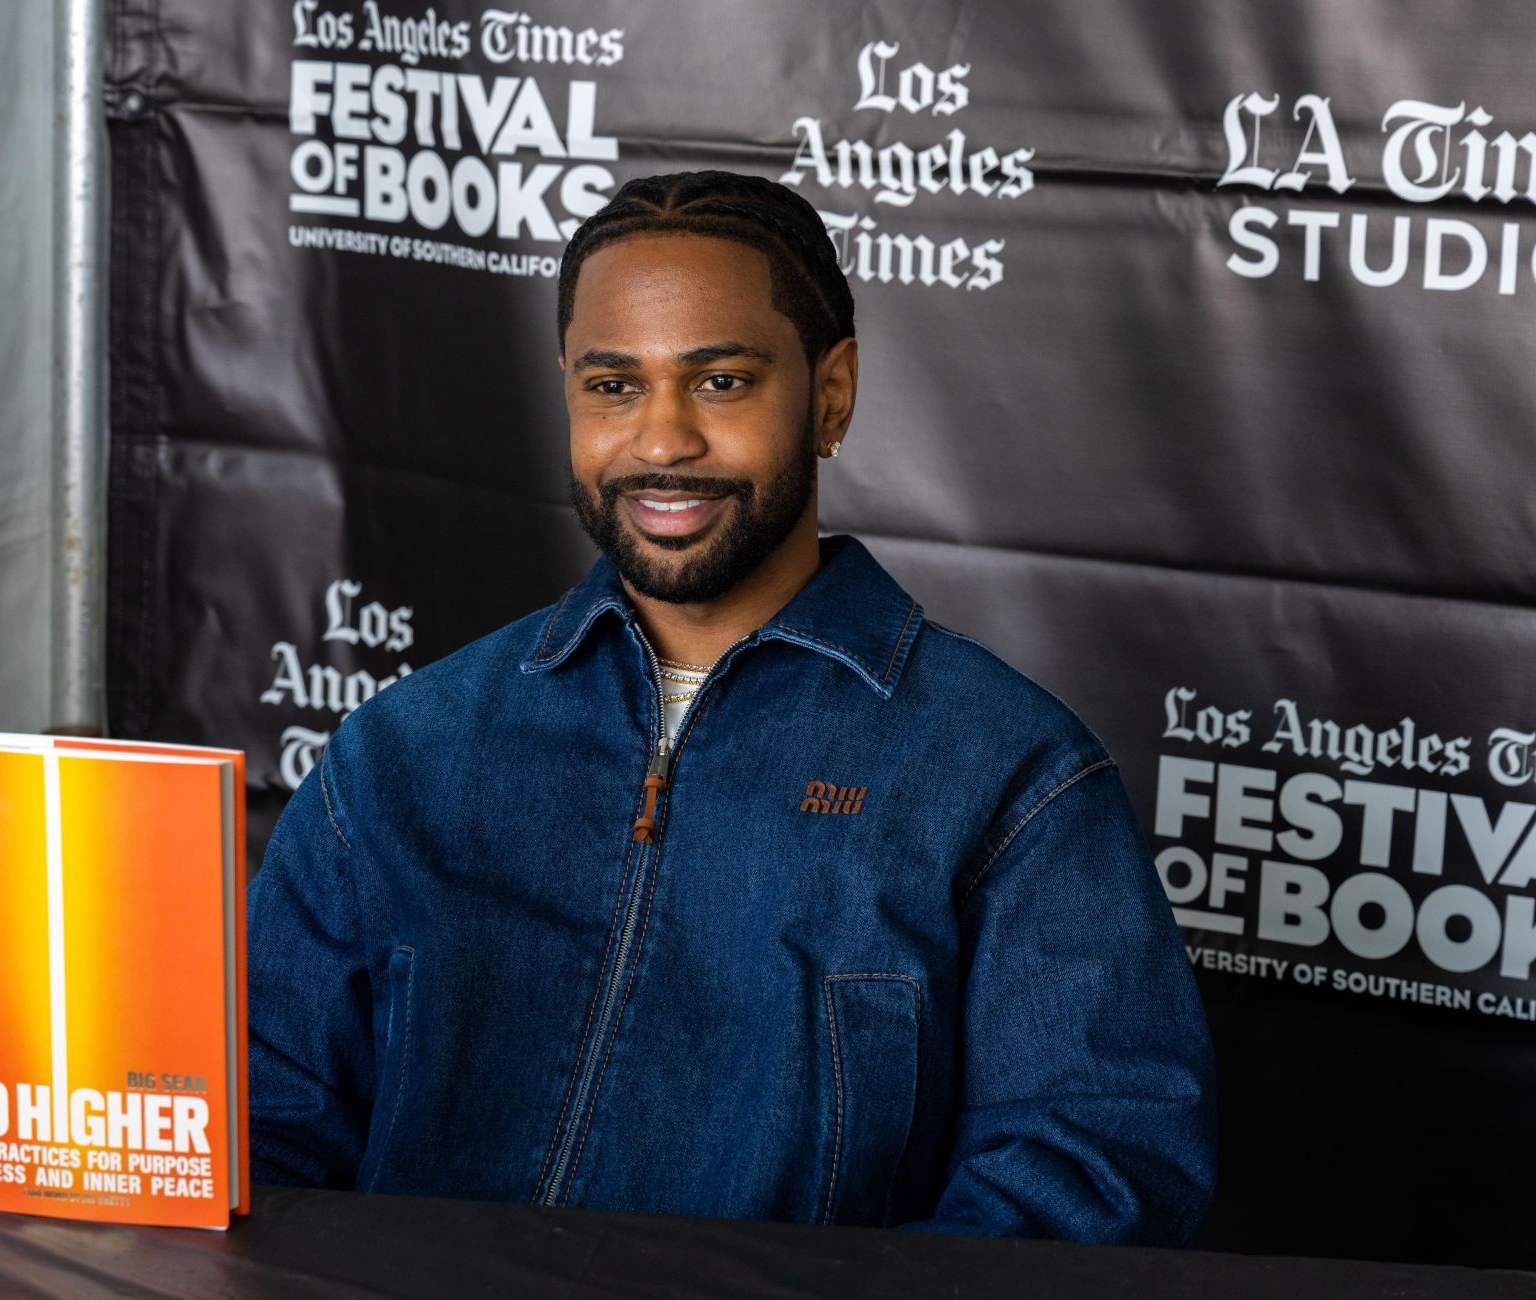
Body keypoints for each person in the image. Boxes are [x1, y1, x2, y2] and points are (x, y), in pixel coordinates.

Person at [247, 169, 1215, 1241]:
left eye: (720, 383)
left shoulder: (1012, 776)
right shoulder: (401, 753)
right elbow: (266, 1134)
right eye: (614, 386)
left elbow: (1089, 1176)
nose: (662, 442)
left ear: (831, 395)